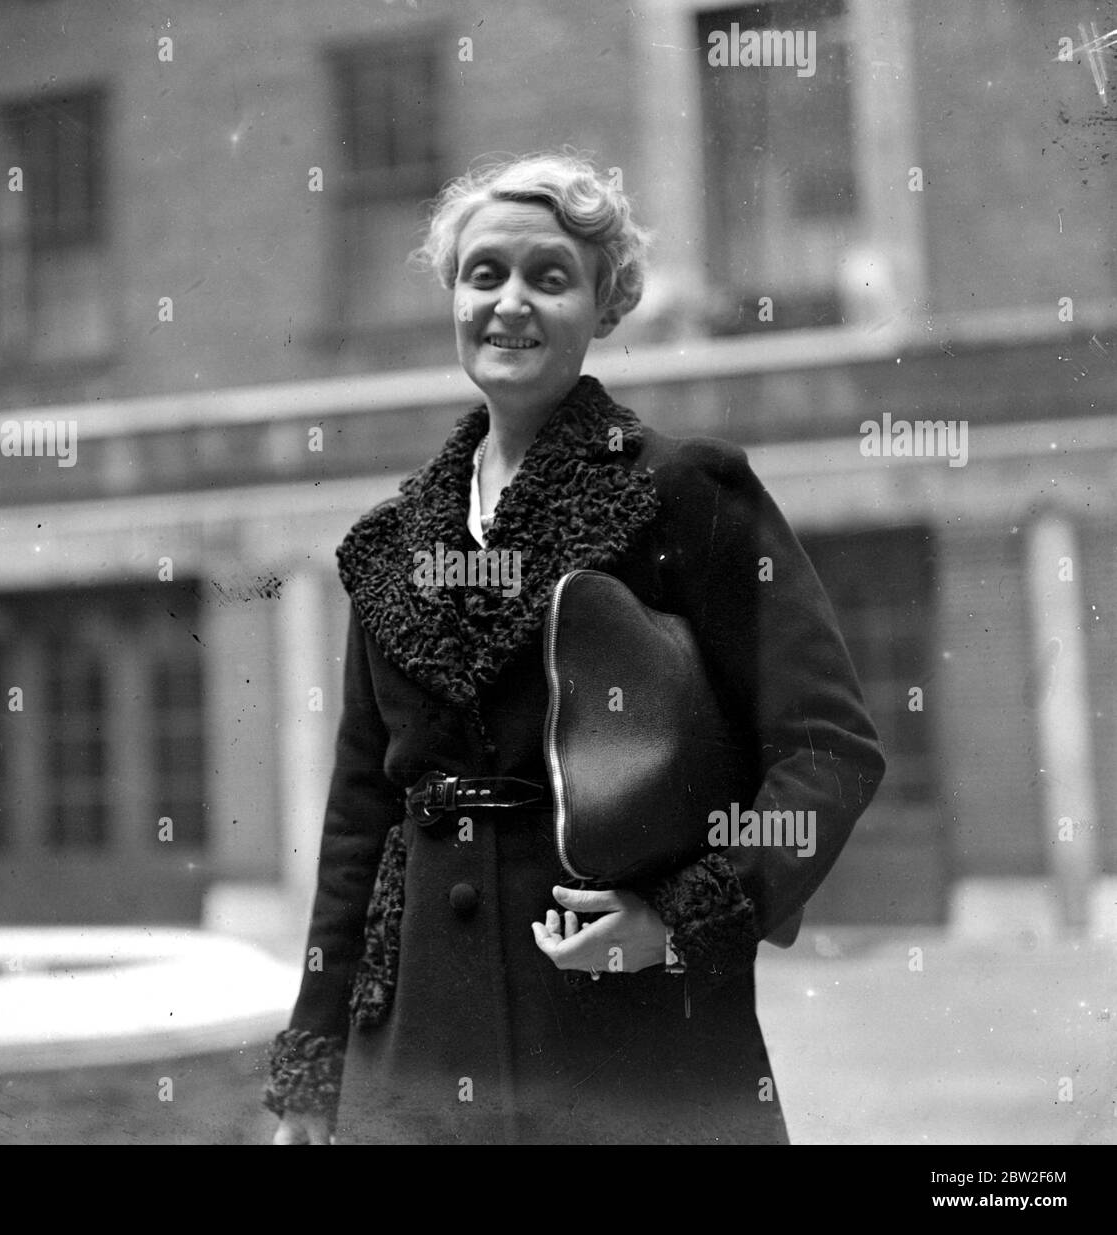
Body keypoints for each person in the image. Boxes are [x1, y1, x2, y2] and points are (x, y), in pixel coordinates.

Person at [264, 152, 885, 1145]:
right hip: (414, 1057)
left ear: (603, 304)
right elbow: (359, 817)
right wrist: (313, 1061)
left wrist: (679, 919)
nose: (510, 303)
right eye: (483, 275)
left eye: (548, 277)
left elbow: (829, 750)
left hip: (638, 1057)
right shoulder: (391, 546)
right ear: (453, 298)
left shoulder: (689, 495)